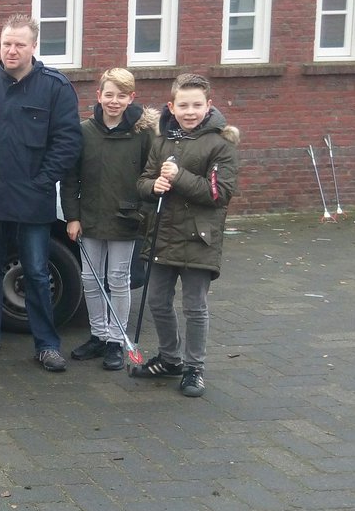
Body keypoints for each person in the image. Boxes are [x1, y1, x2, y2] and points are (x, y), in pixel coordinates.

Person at [0, 14, 82, 372]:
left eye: (19, 44)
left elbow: (68, 141)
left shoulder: (55, 88)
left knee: (36, 272)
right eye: (6, 44)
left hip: (32, 198)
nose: (11, 50)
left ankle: (46, 344)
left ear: (33, 46)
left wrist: (43, 181)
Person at [133, 73, 240, 398]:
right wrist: (154, 186)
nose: (190, 111)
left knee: (195, 307)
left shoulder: (221, 144)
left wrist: (178, 177)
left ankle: (195, 367)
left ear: (209, 106)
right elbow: (142, 183)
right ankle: (169, 359)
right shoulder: (161, 140)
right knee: (157, 302)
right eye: (183, 105)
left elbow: (218, 193)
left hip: (199, 238)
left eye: (196, 105)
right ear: (172, 106)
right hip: (162, 235)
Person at [60, 68, 157, 371]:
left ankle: (116, 339)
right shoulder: (84, 131)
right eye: (109, 95)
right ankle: (98, 335)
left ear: (132, 98)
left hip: (125, 219)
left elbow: (149, 175)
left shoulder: (143, 135)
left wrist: (141, 211)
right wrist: (72, 217)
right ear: (99, 96)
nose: (114, 101)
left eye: (122, 96)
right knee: (90, 279)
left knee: (118, 280)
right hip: (89, 217)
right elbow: (70, 178)